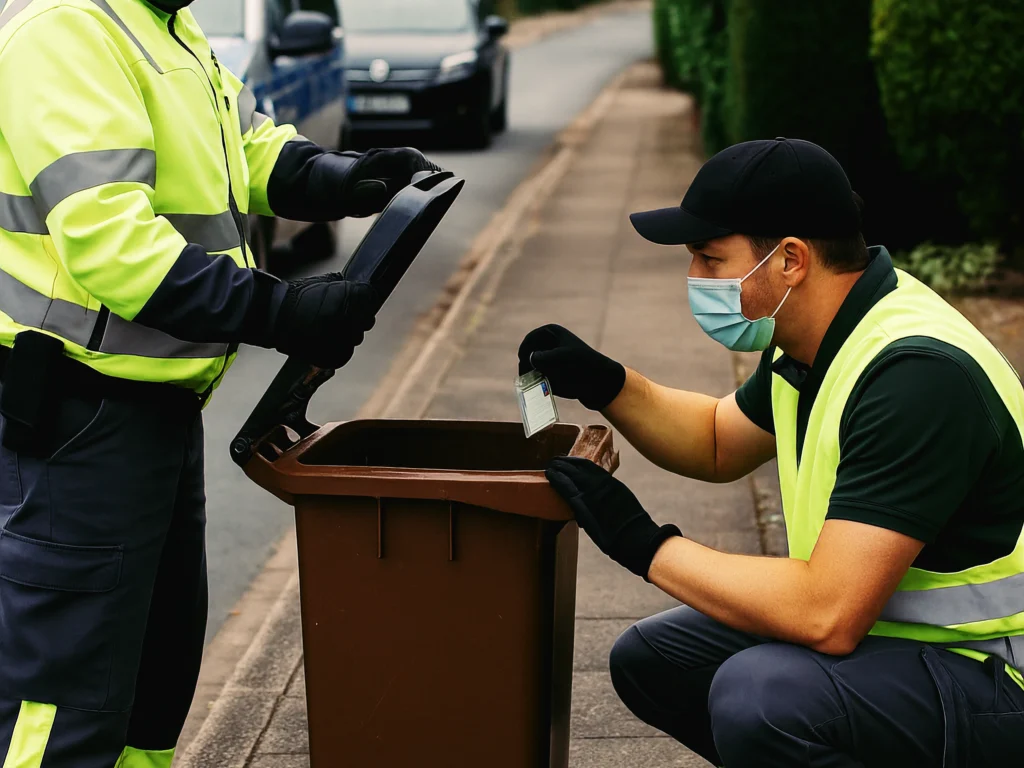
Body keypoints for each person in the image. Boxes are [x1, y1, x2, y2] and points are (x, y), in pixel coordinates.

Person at [0, 0, 442, 762]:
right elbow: (112, 245)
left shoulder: (165, 24)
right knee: (67, 700)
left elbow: (243, 148)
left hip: (152, 414)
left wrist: (342, 178)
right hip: (80, 423)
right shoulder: (67, 26)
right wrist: (280, 310)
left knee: (151, 689)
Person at [518, 137, 1024, 766]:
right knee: (655, 660)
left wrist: (643, 543)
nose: (694, 278)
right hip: (894, 643)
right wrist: (606, 384)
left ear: (790, 260)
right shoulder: (818, 338)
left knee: (760, 696)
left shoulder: (915, 376)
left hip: (996, 677)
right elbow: (716, 440)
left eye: (709, 258)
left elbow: (826, 613)